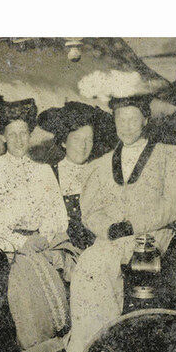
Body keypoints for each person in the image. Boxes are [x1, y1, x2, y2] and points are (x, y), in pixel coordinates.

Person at [64, 94, 176, 352]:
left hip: (152, 238)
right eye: (121, 119)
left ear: (146, 119)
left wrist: (132, 225)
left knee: (98, 260)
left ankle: (104, 350)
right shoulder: (101, 164)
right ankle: (88, 349)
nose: (127, 125)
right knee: (88, 262)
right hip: (112, 240)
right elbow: (91, 211)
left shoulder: (170, 154)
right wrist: (108, 229)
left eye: (133, 118)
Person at [0, 96, 77, 352]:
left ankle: (66, 347)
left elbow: (58, 214)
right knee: (24, 276)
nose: (19, 140)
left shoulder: (43, 171)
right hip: (7, 246)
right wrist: (20, 243)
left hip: (44, 242)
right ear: (2, 136)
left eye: (24, 133)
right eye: (13, 134)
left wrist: (42, 237)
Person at [37, 101, 117, 250]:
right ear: (64, 142)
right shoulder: (48, 175)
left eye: (89, 139)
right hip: (60, 252)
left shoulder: (101, 174)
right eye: (76, 139)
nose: (83, 146)